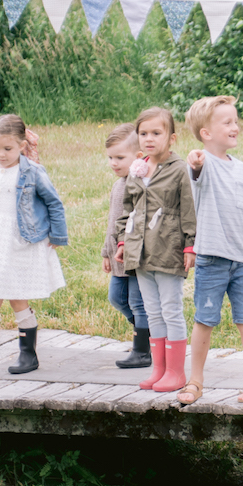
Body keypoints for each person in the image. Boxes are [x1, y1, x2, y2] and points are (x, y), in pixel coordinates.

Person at [178, 96, 243, 406]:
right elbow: (195, 169)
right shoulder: (203, 163)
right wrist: (196, 161)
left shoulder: (241, 169)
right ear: (206, 133)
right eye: (227, 122)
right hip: (211, 259)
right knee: (204, 319)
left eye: (236, 120)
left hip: (242, 260)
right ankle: (196, 381)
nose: (236, 126)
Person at [0, 114, 67, 377]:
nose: (1, 154)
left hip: (21, 241)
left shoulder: (31, 171)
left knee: (18, 297)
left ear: (21, 145)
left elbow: (54, 203)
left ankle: (28, 354)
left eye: (7, 149)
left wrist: (57, 236)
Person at [116, 107, 196, 393]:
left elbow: (189, 210)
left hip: (168, 248)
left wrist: (190, 245)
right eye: (143, 133)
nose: (149, 139)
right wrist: (123, 241)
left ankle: (176, 371)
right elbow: (129, 210)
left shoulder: (179, 170)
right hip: (140, 252)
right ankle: (159, 369)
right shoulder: (137, 169)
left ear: (171, 137)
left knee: (171, 309)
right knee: (152, 311)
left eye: (156, 133)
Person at [102, 123, 151, 369]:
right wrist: (105, 252)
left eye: (120, 157)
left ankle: (143, 349)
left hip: (134, 255)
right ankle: (147, 333)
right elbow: (112, 220)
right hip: (117, 256)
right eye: (110, 157)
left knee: (137, 301)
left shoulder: (138, 183)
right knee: (116, 298)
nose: (114, 162)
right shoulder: (118, 184)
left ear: (138, 157)